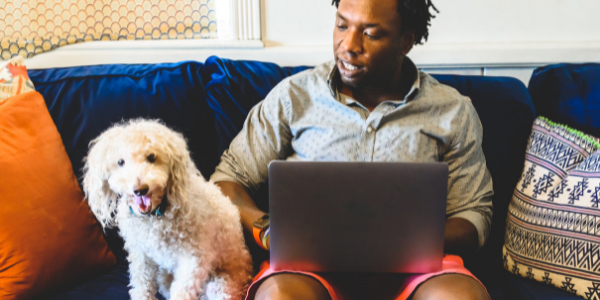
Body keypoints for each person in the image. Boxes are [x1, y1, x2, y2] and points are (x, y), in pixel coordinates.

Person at [211, 0, 494, 298]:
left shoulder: (451, 110)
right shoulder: (294, 97)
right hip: (308, 271)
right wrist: (268, 229)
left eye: (370, 34)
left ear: (406, 41)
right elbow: (227, 180)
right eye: (342, 25)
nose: (349, 45)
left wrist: (401, 242)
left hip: (420, 273)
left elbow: (473, 214)